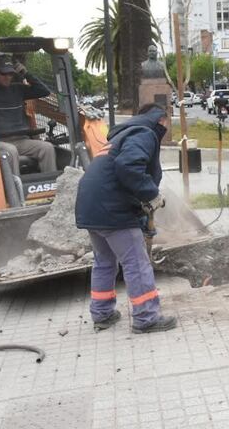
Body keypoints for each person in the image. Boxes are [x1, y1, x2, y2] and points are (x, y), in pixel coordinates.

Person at [74, 104, 177, 334]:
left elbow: (121, 175)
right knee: (136, 263)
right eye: (167, 124)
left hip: (90, 205)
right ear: (160, 120)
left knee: (104, 260)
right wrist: (151, 194)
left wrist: (141, 215)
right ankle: (146, 317)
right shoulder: (144, 133)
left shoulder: (120, 136)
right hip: (112, 209)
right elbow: (129, 167)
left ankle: (102, 314)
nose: (167, 129)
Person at [0, 55, 57, 176]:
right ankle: (15, 190)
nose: (8, 77)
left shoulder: (18, 89)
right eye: (4, 74)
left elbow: (44, 91)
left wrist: (26, 73)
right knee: (11, 151)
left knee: (47, 148)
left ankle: (51, 188)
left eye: (10, 74)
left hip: (20, 140)